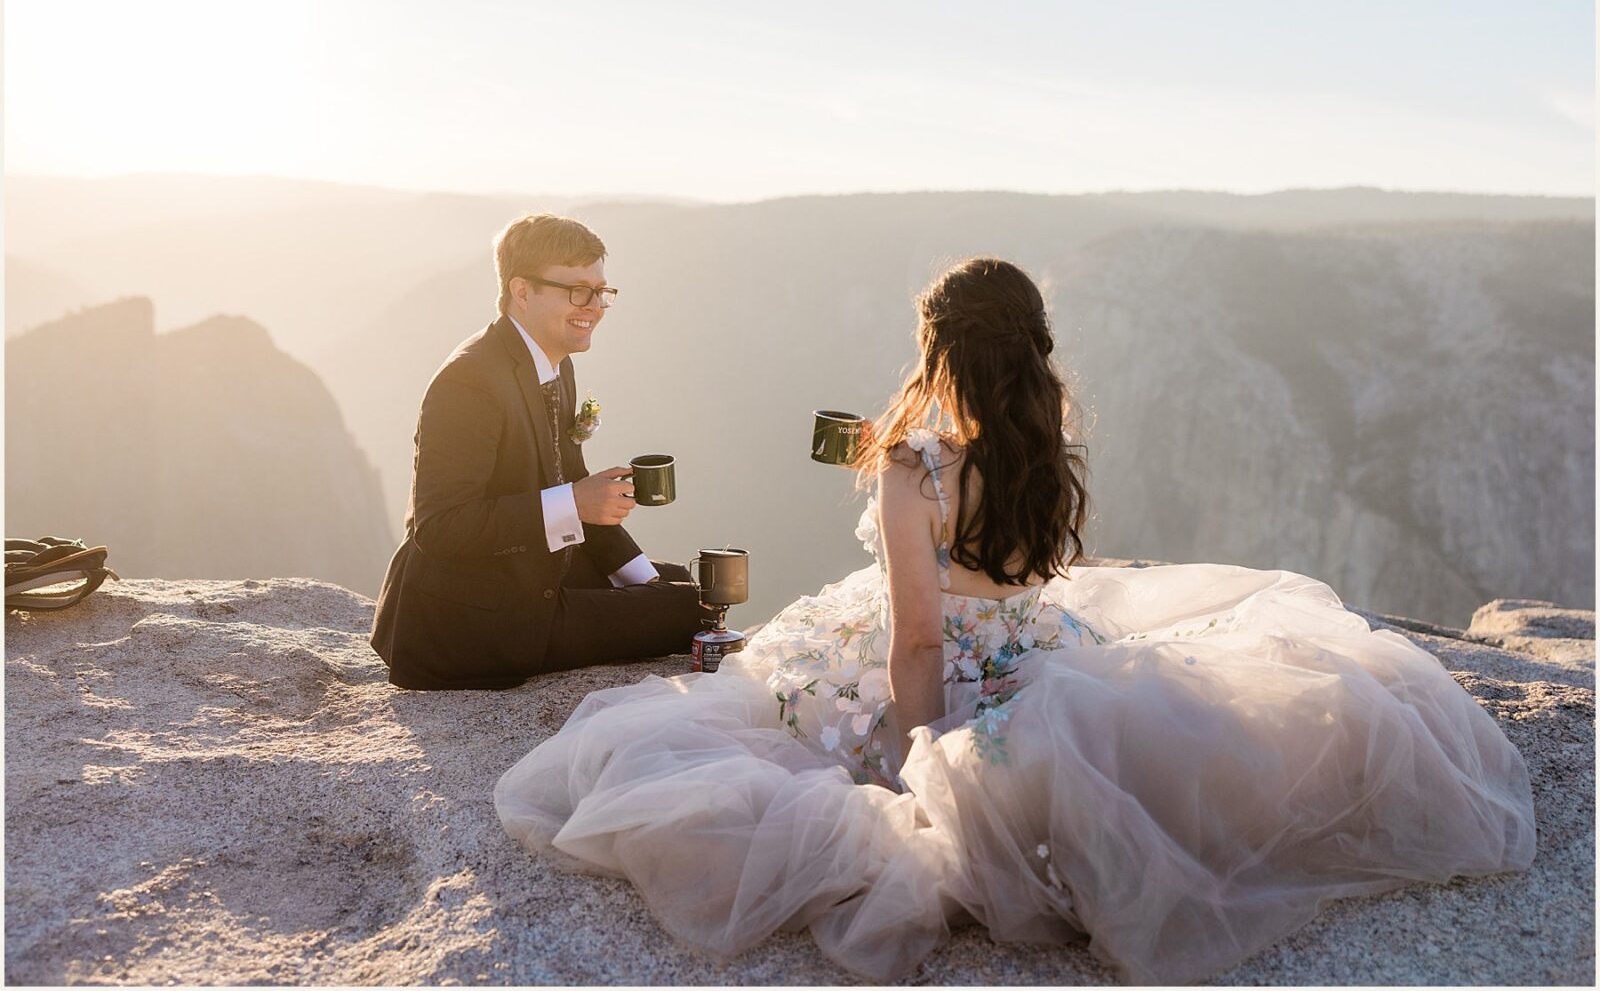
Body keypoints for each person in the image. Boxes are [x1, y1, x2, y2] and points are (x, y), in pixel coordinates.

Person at [494, 258, 1536, 983]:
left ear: (940, 347)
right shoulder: (1043, 450)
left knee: (775, 695)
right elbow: (1021, 570)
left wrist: (918, 750)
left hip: (931, 671)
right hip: (1036, 657)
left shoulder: (918, 463)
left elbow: (913, 633)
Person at [370, 214, 702, 690]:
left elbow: (573, 484)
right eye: (577, 290)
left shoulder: (553, 362)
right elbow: (441, 527)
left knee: (689, 586)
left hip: (536, 573)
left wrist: (642, 580)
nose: (595, 306)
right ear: (522, 291)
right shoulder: (470, 381)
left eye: (601, 290)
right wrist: (574, 503)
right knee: (694, 609)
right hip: (475, 617)